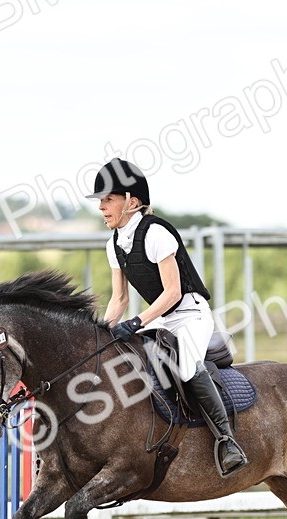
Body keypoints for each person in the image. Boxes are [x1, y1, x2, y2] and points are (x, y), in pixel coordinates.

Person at [87, 158, 248, 477]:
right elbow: (119, 299)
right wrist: (100, 334)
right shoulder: (114, 244)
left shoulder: (157, 233)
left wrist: (137, 322)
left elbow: (173, 292)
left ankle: (227, 441)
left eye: (108, 199)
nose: (102, 207)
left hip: (190, 313)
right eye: (101, 201)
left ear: (131, 202)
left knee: (186, 367)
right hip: (159, 318)